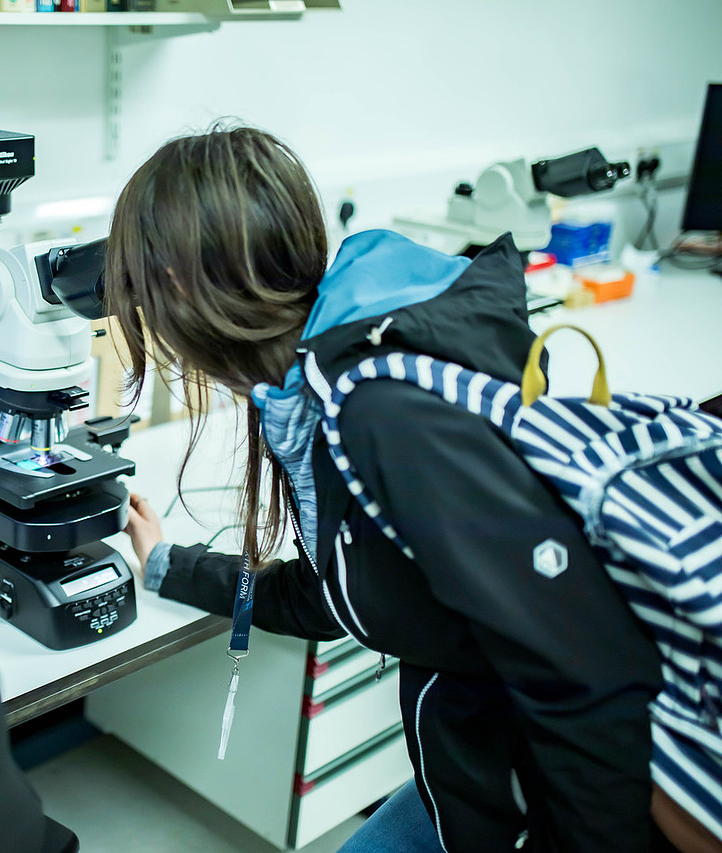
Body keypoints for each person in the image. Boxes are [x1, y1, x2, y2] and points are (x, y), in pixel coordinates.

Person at [106, 123, 675, 851]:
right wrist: (169, 567)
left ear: (184, 287)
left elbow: (583, 679)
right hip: (471, 769)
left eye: (145, 295)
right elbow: (335, 594)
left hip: (553, 797)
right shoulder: (308, 388)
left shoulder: (382, 412)